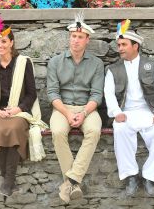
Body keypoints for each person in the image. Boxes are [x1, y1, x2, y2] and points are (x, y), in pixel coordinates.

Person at [104, 20, 154, 197]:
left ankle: (149, 177)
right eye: (118, 45)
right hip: (125, 113)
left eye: (124, 45)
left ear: (136, 46)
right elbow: (109, 94)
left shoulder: (151, 64)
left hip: (149, 112)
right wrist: (117, 113)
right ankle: (131, 176)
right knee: (120, 129)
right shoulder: (113, 69)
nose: (120, 48)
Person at [0, 11, 45, 196]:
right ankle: (9, 182)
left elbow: (32, 94)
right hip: (0, 113)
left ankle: (7, 182)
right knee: (1, 129)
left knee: (16, 128)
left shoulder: (23, 63)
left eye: (4, 41)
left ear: (11, 42)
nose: (0, 45)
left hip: (20, 112)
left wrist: (18, 109)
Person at [47, 13, 104, 204]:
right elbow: (53, 94)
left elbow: (96, 95)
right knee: (57, 131)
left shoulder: (97, 64)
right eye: (73, 36)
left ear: (87, 40)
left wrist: (84, 113)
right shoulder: (55, 62)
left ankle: (70, 182)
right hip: (62, 108)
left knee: (94, 130)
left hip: (87, 109)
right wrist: (68, 113)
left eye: (80, 37)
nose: (76, 40)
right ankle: (74, 183)